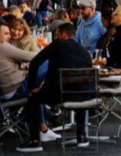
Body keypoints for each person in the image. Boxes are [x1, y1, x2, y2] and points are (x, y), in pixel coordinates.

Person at [0, 21, 60, 152]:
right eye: (6, 33)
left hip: (5, 91)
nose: (9, 36)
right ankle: (47, 118)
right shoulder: (1, 47)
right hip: (16, 89)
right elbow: (35, 57)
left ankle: (44, 124)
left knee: (35, 90)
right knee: (47, 62)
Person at [22, 22, 93, 150]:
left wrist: (33, 86)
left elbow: (35, 62)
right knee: (79, 95)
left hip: (59, 94)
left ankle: (34, 141)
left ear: (63, 34)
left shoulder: (58, 44)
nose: (55, 37)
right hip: (85, 95)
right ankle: (81, 136)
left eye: (57, 34)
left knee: (33, 100)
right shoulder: (85, 52)